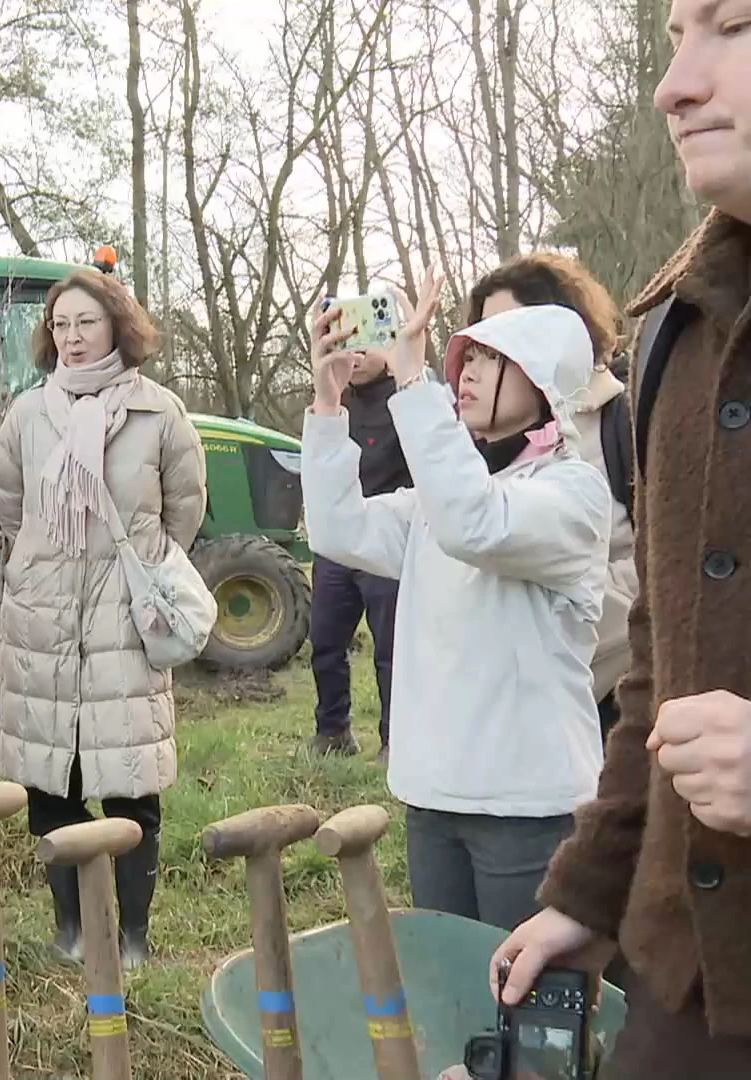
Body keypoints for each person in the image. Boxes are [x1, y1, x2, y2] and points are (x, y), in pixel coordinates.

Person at [492, 0, 751, 1071]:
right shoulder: (678, 331)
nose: (673, 85)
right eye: (676, 35)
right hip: (687, 986)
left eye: (732, 26)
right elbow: (660, 658)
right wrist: (594, 891)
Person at [303, 266, 610, 934]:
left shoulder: (573, 494)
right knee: (457, 1004)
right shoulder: (438, 502)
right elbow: (338, 529)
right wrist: (328, 407)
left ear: (542, 382)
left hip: (527, 809)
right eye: (465, 356)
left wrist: (414, 385)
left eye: (493, 359)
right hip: (433, 796)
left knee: (526, 1020)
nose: (466, 371)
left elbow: (477, 524)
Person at [0, 268, 207, 971]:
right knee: (50, 781)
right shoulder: (27, 415)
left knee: (129, 785)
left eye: (86, 322)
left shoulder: (160, 412)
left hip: (124, 612)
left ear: (117, 324)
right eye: (61, 326)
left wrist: (131, 566)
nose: (73, 338)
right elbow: (12, 508)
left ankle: (133, 935)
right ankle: (73, 927)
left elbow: (184, 513)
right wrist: (48, 567)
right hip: (43, 621)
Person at [465, 254, 637, 741]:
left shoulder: (620, 419)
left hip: (612, 692)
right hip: (513, 702)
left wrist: (561, 613)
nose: (490, 347)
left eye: (507, 329)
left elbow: (666, 558)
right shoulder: (485, 437)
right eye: (481, 337)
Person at [306, 340, 409, 762]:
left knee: (391, 649)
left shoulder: (406, 402)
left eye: (367, 347)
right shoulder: (333, 403)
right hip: (336, 543)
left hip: (387, 542)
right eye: (350, 348)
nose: (357, 356)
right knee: (325, 643)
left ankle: (394, 739)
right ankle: (332, 731)